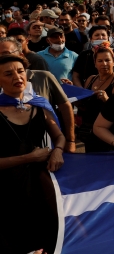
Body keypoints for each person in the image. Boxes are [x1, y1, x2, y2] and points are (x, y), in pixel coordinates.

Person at [0, 54, 65, 254]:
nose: (17, 77)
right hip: (6, 191)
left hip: (40, 187)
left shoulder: (38, 105)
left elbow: (59, 137)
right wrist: (28, 158)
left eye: (20, 71)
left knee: (46, 241)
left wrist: (58, 152)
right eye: (8, 74)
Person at [78, 43, 114, 151]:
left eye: (107, 60)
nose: (104, 64)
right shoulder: (90, 79)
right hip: (89, 132)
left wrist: (107, 100)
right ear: (95, 63)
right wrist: (73, 94)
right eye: (100, 61)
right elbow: (84, 107)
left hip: (108, 133)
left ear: (113, 62)